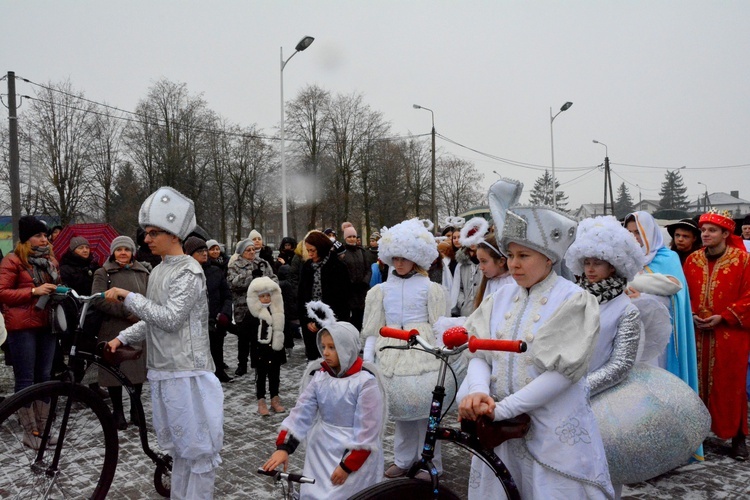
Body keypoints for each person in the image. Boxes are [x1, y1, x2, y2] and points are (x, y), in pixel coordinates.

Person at [459, 178, 613, 499]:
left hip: (552, 432)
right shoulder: (498, 298)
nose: (513, 264)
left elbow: (561, 374)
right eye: (510, 254)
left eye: (524, 256)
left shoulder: (573, 300)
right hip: (499, 434)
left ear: (548, 258)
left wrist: (503, 409)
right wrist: (477, 393)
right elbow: (479, 353)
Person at [105, 186, 223, 499]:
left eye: (153, 232)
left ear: (173, 234)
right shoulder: (158, 270)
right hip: (164, 372)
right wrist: (122, 337)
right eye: (146, 232)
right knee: (181, 452)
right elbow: (154, 318)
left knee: (197, 451)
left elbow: (170, 317)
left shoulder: (188, 270)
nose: (146, 239)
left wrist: (128, 296)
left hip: (187, 373)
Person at [262, 311, 385, 498]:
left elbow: (367, 431)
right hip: (321, 450)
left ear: (347, 349)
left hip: (352, 452)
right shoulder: (320, 377)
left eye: (332, 347)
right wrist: (284, 448)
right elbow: (302, 412)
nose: (325, 352)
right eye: (324, 346)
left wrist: (347, 466)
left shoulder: (364, 382)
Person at [361, 218, 449, 480]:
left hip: (422, 350)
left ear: (416, 258)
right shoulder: (381, 291)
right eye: (395, 258)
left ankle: (430, 460)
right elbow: (373, 328)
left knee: (425, 409)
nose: (399, 263)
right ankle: (403, 458)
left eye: (404, 258)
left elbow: (439, 325)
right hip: (391, 349)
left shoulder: (431, 289)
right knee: (401, 411)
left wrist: (443, 353)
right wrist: (367, 359)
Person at [684, 210, 750, 460]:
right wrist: (690, 314)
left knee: (731, 385)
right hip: (698, 334)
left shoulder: (744, 261)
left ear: (726, 233)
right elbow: (683, 295)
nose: (706, 234)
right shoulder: (692, 260)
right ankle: (696, 434)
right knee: (695, 384)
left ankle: (738, 437)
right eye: (703, 230)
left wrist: (724, 316)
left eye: (712, 230)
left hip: (730, 335)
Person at [0, 215, 60, 449]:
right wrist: (34, 291)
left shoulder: (50, 262)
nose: (44, 239)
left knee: (44, 377)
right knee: (26, 379)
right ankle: (30, 432)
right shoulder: (12, 261)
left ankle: (43, 431)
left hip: (47, 325)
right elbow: (2, 292)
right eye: (38, 235)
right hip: (22, 328)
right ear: (26, 239)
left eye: (45, 235)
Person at [92, 235, 149, 430]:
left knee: (136, 368)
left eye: (126, 249)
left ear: (132, 252)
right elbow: (98, 299)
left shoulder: (143, 271)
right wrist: (127, 313)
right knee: (113, 370)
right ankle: (118, 411)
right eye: (119, 249)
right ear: (112, 252)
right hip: (113, 327)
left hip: (139, 326)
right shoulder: (103, 272)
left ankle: (135, 409)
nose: (123, 252)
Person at [185, 236, 233, 383]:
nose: (205, 253)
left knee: (217, 348)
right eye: (200, 251)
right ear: (190, 254)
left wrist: (225, 313)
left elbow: (227, 295)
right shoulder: (186, 273)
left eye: (205, 250)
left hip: (216, 319)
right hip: (196, 323)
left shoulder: (216, 271)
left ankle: (219, 371)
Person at [297, 231, 350, 361]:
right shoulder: (307, 267)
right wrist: (306, 320)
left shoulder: (338, 267)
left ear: (321, 248)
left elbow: (341, 299)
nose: (309, 254)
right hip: (309, 321)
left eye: (313, 250)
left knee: (332, 358)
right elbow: (301, 296)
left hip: (332, 321)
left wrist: (321, 322)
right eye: (308, 250)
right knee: (314, 361)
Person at [227, 238, 277, 376]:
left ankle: (257, 362)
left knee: (259, 335)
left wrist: (264, 283)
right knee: (243, 338)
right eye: (248, 250)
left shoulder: (262, 263)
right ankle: (242, 364)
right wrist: (250, 276)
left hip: (261, 307)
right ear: (241, 252)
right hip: (242, 308)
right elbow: (232, 283)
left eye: (253, 250)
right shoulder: (235, 265)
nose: (251, 252)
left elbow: (273, 279)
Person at [245, 276, 287, 415]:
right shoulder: (253, 314)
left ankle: (275, 399)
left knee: (275, 376)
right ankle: (261, 401)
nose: (266, 298)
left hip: (275, 350)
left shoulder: (277, 311)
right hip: (260, 351)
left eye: (268, 295)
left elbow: (282, 328)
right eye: (262, 296)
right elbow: (247, 332)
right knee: (261, 377)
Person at [451, 218, 487, 317]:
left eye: (475, 239)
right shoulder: (462, 264)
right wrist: (462, 303)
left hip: (483, 310)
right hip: (466, 311)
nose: (472, 243)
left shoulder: (486, 263)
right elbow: (458, 287)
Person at [472, 232, 514, 310]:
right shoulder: (489, 282)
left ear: (501, 261)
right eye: (479, 261)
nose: (480, 267)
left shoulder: (513, 284)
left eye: (484, 261)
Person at [340, 226, 371, 330]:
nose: (352, 239)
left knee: (359, 315)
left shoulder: (362, 252)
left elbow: (368, 269)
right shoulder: (342, 253)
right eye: (349, 237)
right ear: (345, 238)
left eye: (354, 236)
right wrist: (348, 283)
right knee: (347, 317)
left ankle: (356, 336)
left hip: (361, 290)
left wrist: (365, 282)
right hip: (348, 291)